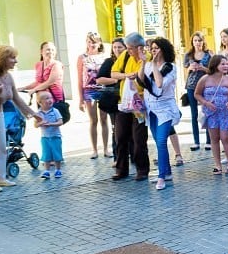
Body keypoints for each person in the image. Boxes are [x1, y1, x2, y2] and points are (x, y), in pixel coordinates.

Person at [0, 46, 40, 189]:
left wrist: (34, 114)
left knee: (2, 147)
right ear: (2, 59)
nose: (16, 61)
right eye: (13, 58)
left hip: (0, 114)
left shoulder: (8, 77)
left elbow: (16, 98)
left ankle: (0, 178)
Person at [140, 37, 180, 190]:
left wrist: (155, 65)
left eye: (156, 48)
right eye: (152, 48)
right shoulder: (149, 65)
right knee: (158, 142)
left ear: (163, 49)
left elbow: (159, 84)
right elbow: (141, 79)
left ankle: (161, 176)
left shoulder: (170, 67)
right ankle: (167, 172)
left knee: (162, 141)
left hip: (165, 109)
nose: (153, 51)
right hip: (151, 109)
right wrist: (144, 62)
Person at [110, 33, 150, 181]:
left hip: (140, 104)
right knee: (120, 136)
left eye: (130, 48)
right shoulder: (126, 55)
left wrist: (136, 74)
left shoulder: (147, 58)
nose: (128, 51)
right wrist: (127, 75)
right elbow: (114, 73)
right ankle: (121, 169)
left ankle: (142, 169)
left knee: (139, 138)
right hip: (125, 102)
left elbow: (144, 77)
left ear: (139, 47)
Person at [194, 55, 228, 174]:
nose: (225, 66)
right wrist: (206, 103)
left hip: (225, 112)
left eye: (226, 64)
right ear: (215, 65)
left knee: (225, 138)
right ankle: (218, 165)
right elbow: (197, 94)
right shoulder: (205, 79)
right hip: (211, 113)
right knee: (214, 138)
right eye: (222, 64)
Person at [77, 31, 108, 159]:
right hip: (88, 90)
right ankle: (95, 150)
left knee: (104, 119)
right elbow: (79, 78)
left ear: (99, 43)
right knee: (93, 120)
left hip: (103, 89)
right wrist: (80, 98)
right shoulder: (82, 57)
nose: (92, 44)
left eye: (94, 41)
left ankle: (106, 149)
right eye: (89, 41)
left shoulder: (104, 57)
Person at [183, 32, 212, 151]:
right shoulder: (188, 55)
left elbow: (212, 70)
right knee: (194, 114)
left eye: (199, 40)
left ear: (203, 42)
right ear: (192, 42)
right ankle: (196, 141)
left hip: (205, 85)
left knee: (207, 112)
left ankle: (209, 141)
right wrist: (190, 68)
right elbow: (185, 68)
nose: (197, 43)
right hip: (191, 85)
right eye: (195, 40)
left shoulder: (208, 55)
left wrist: (202, 68)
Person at [34, 91, 64, 179]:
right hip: (44, 137)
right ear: (40, 102)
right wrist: (40, 123)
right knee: (46, 154)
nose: (50, 100)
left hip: (55, 136)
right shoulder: (38, 113)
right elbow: (35, 125)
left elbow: (60, 122)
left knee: (56, 154)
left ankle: (58, 170)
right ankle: (46, 171)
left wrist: (51, 124)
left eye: (50, 98)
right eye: (46, 98)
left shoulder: (55, 111)